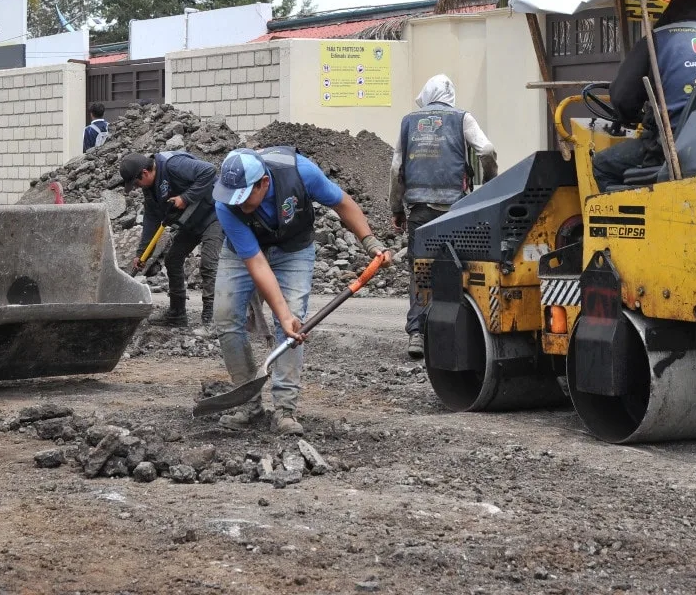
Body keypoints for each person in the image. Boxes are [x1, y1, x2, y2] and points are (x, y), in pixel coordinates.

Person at [210, 146, 383, 435]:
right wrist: (281, 309)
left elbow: (343, 203)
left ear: (263, 182)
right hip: (244, 253)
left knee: (291, 324)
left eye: (244, 197)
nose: (237, 204)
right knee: (226, 316)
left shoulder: (301, 172)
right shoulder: (225, 202)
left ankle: (285, 409)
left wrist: (370, 242)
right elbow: (257, 263)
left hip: (294, 249)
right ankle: (247, 403)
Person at [591, 0, 696, 191]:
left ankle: (635, 218)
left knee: (603, 164)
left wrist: (628, 115)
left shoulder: (655, 41)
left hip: (672, 148)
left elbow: (623, 98)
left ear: (670, 13)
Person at [390, 74, 498, 360]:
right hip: (455, 211)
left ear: (427, 94)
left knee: (421, 271)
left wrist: (396, 208)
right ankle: (458, 335)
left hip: (420, 211)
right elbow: (486, 150)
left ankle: (417, 333)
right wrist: (490, 181)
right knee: (459, 268)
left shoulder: (408, 122)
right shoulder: (462, 118)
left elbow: (396, 169)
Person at [120, 150, 222, 327]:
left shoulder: (174, 165)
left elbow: (209, 171)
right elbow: (151, 219)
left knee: (208, 262)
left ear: (144, 173)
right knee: (173, 259)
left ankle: (211, 318)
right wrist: (142, 253)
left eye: (136, 183)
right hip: (190, 222)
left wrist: (185, 197)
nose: (137, 187)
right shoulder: (149, 188)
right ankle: (177, 314)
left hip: (213, 214)